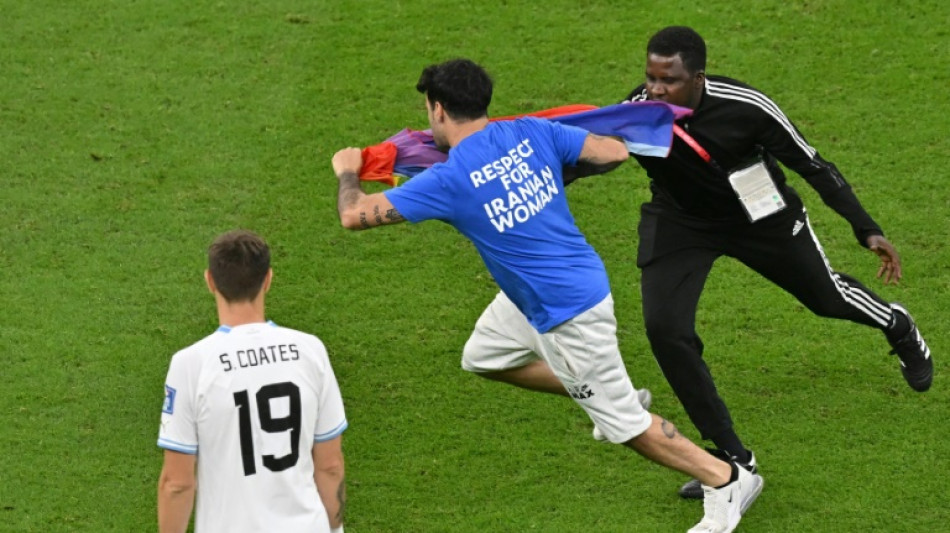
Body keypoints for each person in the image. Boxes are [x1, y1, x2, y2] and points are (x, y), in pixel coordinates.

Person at [331, 58, 762, 532]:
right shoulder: (532, 131)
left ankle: (726, 480)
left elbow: (355, 215)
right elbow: (614, 153)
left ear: (437, 109)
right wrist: (551, 174)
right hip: (545, 291)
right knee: (485, 356)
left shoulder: (448, 179)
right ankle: (608, 392)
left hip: (565, 311)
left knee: (627, 428)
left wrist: (348, 171)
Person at [612, 26, 931, 499]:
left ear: (698, 78)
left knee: (826, 298)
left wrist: (866, 228)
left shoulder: (747, 108)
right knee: (665, 330)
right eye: (651, 76)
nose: (656, 89)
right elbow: (588, 150)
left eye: (669, 80)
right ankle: (731, 458)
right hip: (682, 223)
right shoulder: (639, 110)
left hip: (760, 217)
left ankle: (897, 324)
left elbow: (813, 165)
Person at [157, 230, 347, 533]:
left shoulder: (191, 364)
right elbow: (330, 465)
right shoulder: (311, 350)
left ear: (210, 281)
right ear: (268, 279)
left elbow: (177, 484)